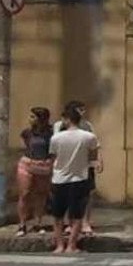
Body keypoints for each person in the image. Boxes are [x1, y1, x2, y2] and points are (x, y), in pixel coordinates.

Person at [48, 106, 99, 254]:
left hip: (59, 179)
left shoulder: (56, 138)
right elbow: (93, 157)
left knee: (57, 216)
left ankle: (59, 246)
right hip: (80, 178)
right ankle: (72, 245)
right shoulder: (89, 137)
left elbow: (53, 157)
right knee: (77, 216)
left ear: (68, 120)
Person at [16, 107, 53, 236]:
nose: (29, 119)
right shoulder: (27, 132)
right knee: (25, 193)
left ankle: (39, 222)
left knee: (41, 194)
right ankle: (22, 224)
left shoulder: (50, 133)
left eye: (33, 117)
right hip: (27, 163)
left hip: (44, 164)